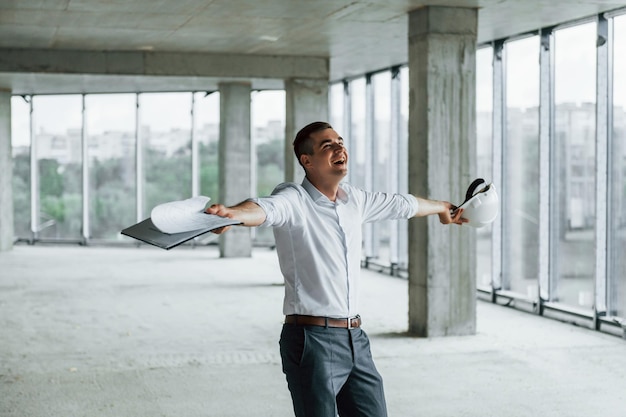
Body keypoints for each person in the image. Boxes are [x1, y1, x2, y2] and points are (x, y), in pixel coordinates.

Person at [205, 121, 466, 417]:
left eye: (340, 142)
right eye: (327, 145)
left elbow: (400, 204)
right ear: (307, 161)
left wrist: (443, 207)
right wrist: (233, 215)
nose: (340, 147)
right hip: (312, 340)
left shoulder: (354, 199)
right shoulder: (294, 199)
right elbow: (265, 208)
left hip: (356, 337)